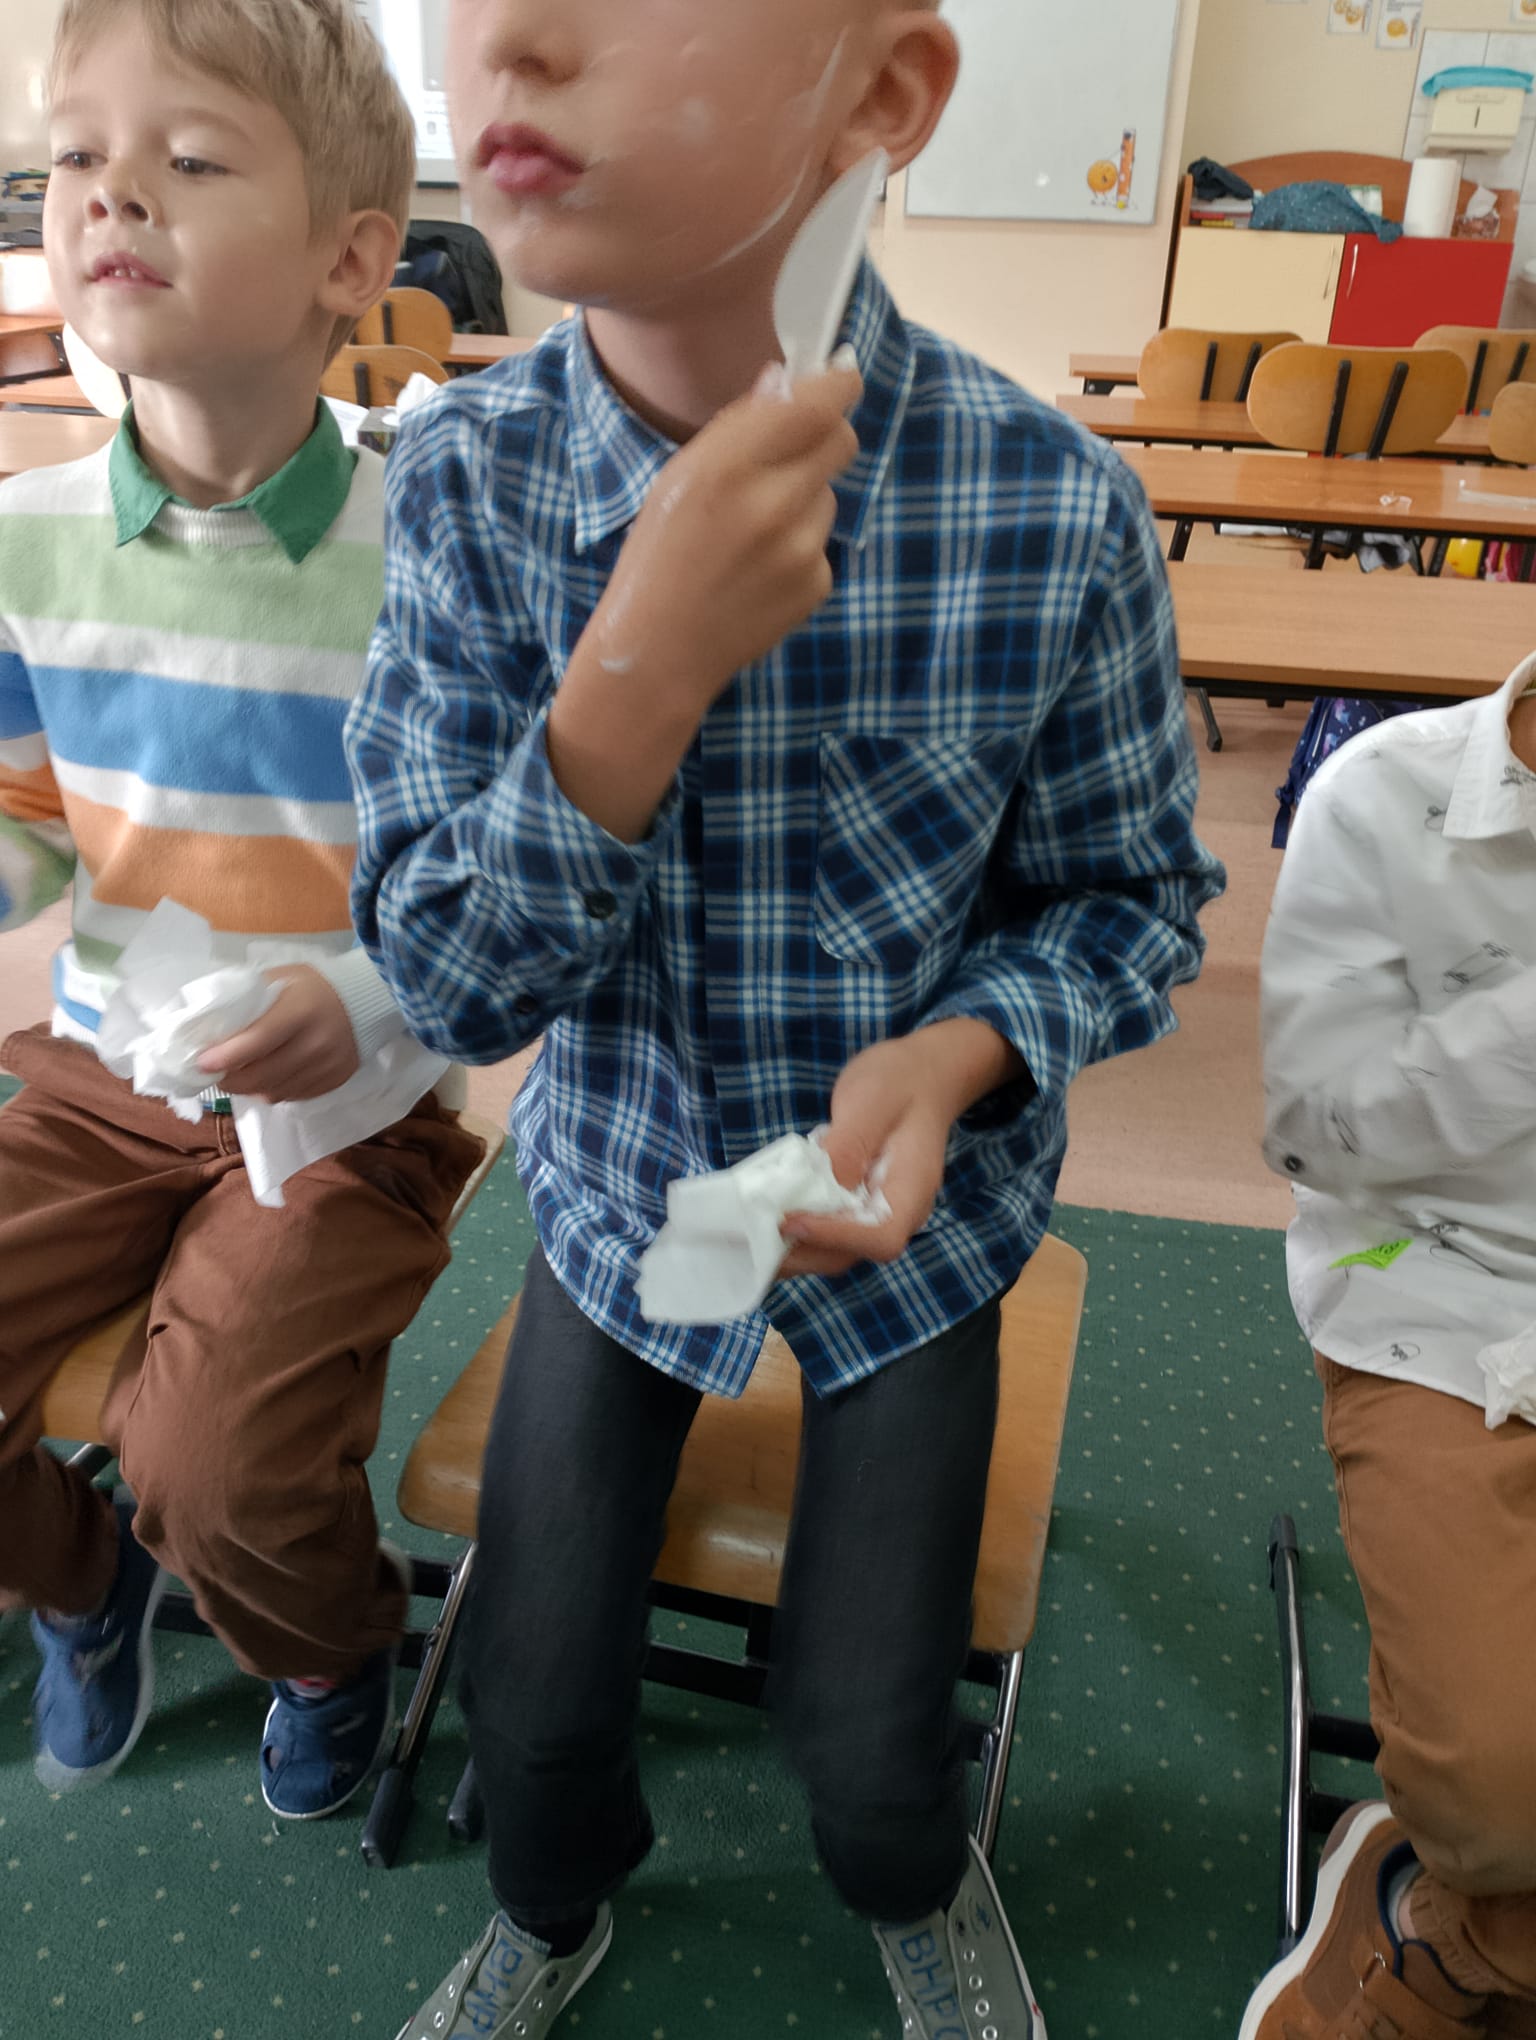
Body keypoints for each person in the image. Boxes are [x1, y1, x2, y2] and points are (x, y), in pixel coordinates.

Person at [347, 1, 1223, 2033]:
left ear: (882, 93)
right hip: (627, 1198)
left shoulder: (1050, 504)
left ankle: (916, 1878)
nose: (511, 40)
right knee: (530, 1700)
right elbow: (449, 978)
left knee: (870, 1736)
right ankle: (553, 1908)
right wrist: (635, 673)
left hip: (916, 1237)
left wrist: (958, 1052)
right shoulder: (466, 480)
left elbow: (1134, 904)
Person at [0, 0, 484, 1822]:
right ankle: (82, 1576)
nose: (110, 194)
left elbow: (489, 884)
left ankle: (329, 1646)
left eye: (190, 159)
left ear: (350, 260)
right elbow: (28, 829)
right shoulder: (27, 536)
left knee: (210, 1468)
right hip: (104, 1069)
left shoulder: (426, 551)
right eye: (76, 156)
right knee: (138, 1489)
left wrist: (360, 1000)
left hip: (350, 1106)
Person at [1246, 660, 1536, 2038]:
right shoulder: (1389, 794)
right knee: (1504, 1788)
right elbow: (1313, 1130)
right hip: (1436, 1288)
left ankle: (1446, 1934)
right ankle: (1442, 1899)